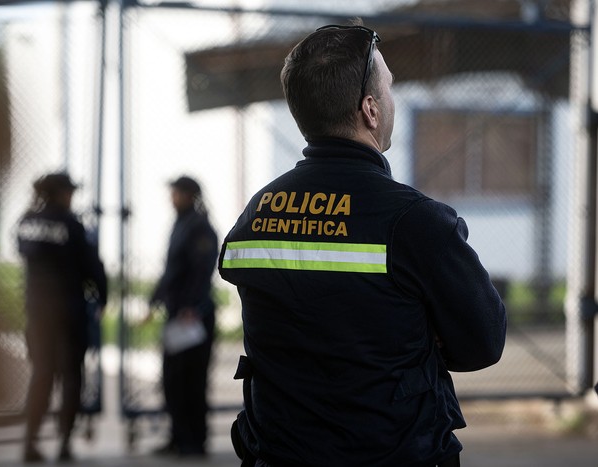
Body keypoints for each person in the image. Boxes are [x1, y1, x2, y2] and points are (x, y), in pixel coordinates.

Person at [218, 20, 507, 467]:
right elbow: (482, 344)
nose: (393, 98)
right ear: (370, 109)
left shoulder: (258, 212)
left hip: (279, 454)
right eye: (389, 87)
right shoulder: (417, 222)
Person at [17, 172, 107, 463]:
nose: (72, 197)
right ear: (60, 193)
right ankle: (65, 442)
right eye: (69, 192)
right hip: (68, 312)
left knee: (41, 374)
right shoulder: (71, 224)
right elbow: (92, 266)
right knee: (70, 376)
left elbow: (24, 254)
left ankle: (30, 440)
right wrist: (102, 296)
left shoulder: (27, 221)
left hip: (37, 311)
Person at [148, 175, 219, 457]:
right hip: (177, 315)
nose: (172, 198)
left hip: (193, 317)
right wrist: (154, 299)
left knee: (192, 380)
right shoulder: (180, 224)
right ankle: (178, 437)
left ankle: (194, 441)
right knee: (173, 380)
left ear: (190, 195)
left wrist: (192, 307)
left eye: (176, 193)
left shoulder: (200, 227)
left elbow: (202, 272)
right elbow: (171, 270)